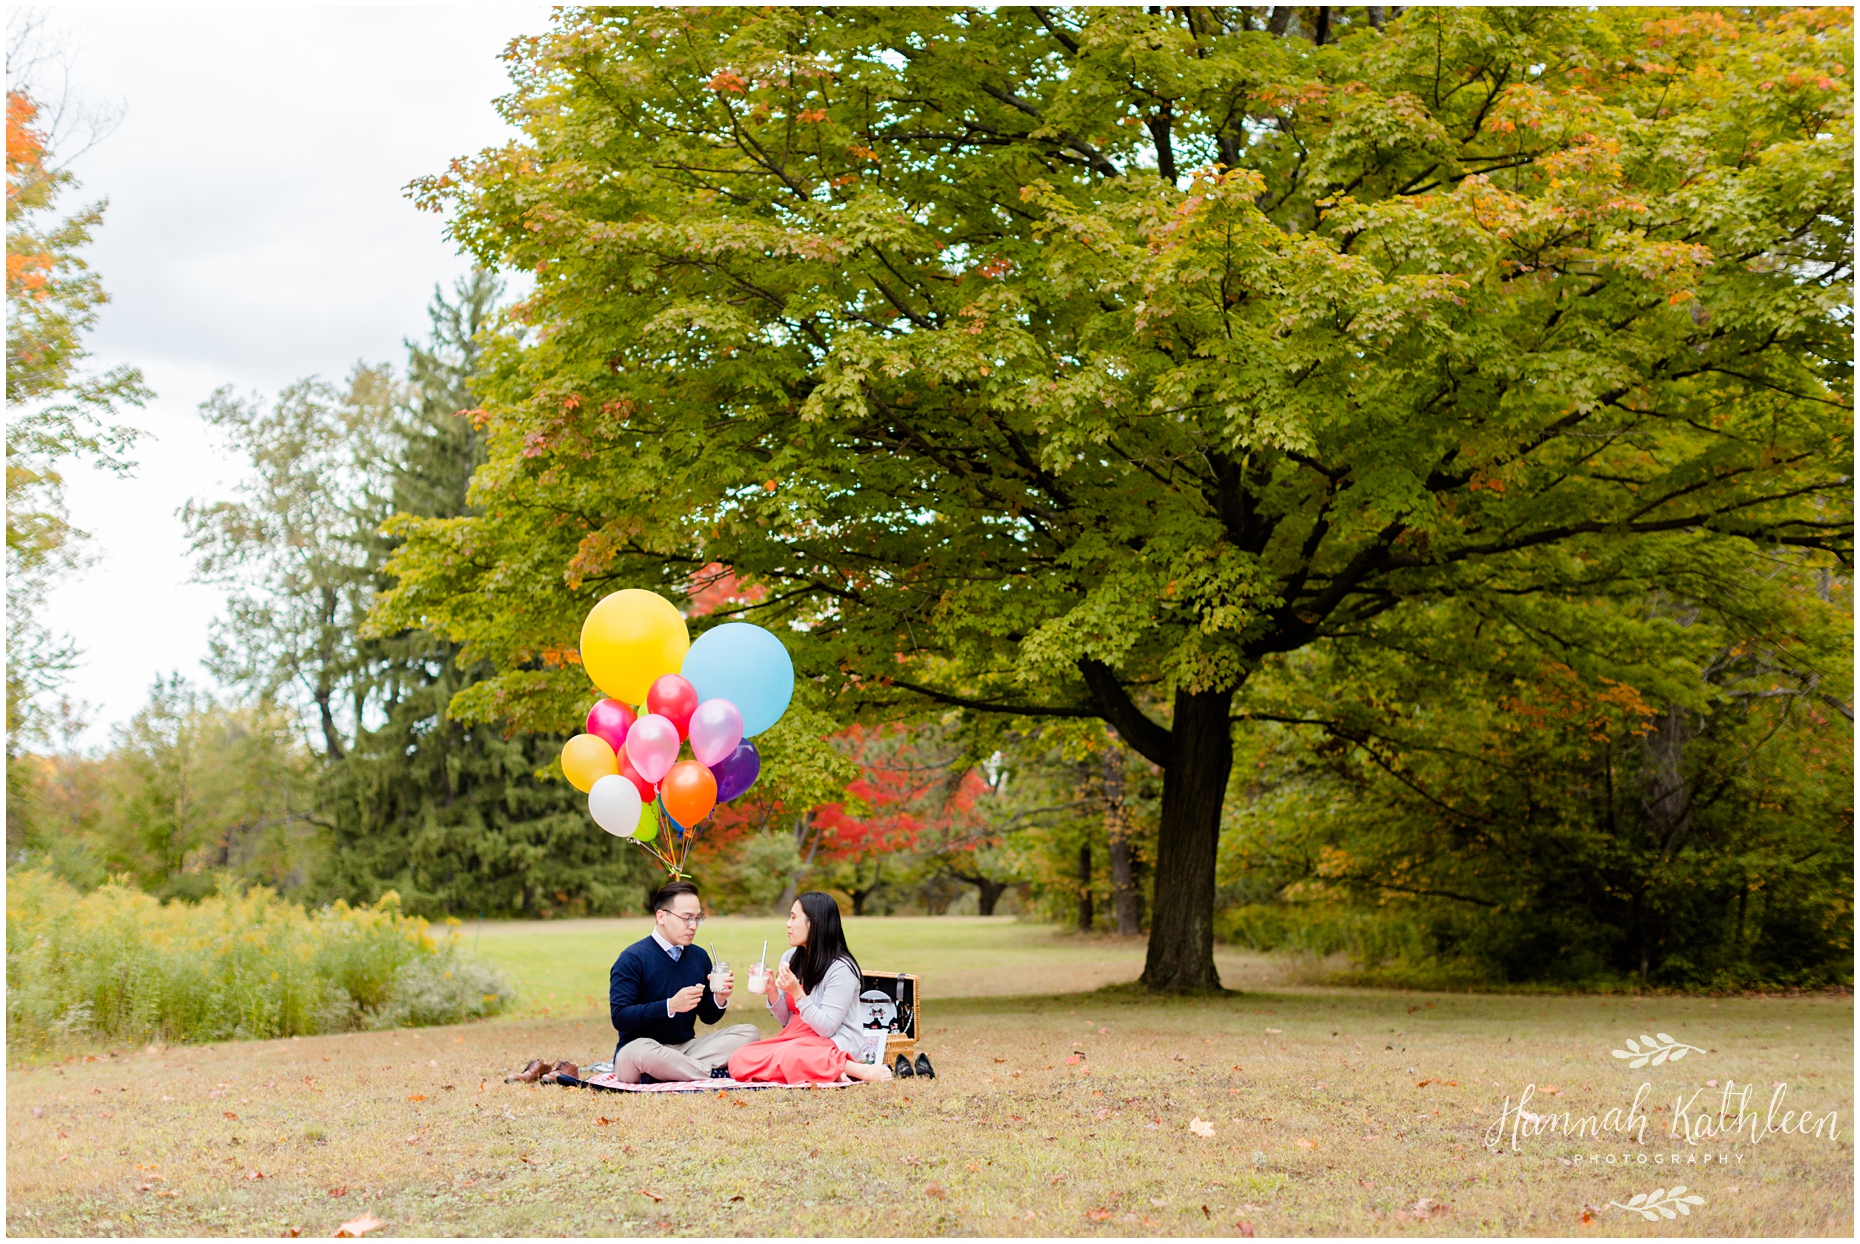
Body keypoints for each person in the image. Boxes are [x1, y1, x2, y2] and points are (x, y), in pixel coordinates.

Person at [726, 892, 894, 1084]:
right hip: (795, 1038)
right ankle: (826, 1070)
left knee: (791, 1054)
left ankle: (856, 1069)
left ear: (813, 923)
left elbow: (827, 1028)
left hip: (832, 1042)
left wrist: (797, 992)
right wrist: (772, 990)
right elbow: (786, 1020)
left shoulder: (841, 969)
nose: (788, 924)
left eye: (794, 917)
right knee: (740, 1058)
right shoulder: (790, 957)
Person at [608, 880, 759, 1082]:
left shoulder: (698, 956)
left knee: (749, 1033)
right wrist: (670, 1006)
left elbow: (708, 1016)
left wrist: (719, 999)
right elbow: (620, 1017)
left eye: (698, 918)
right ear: (661, 916)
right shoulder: (632, 958)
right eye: (687, 918)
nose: (693, 926)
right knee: (638, 1052)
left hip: (686, 1049)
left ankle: (668, 1073)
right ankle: (711, 1073)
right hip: (642, 1050)